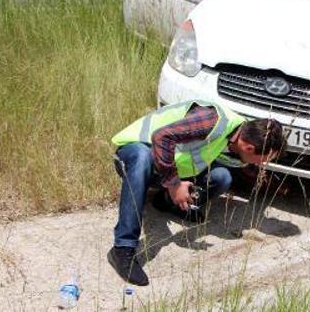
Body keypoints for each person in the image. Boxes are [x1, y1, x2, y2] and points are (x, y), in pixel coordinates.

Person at [106, 99, 285, 286]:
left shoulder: (242, 132)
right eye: (262, 159)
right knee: (142, 158)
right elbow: (161, 137)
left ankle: (166, 202)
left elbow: (211, 159)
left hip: (166, 168)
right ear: (249, 148)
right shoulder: (213, 120)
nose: (262, 164)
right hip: (134, 153)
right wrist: (174, 184)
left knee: (222, 177)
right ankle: (123, 249)